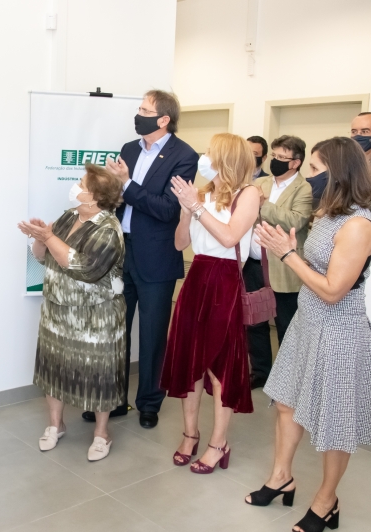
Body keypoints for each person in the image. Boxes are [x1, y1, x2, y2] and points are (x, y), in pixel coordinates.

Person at [246, 136, 371, 532]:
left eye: (316, 169)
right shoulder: (328, 215)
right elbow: (318, 266)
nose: (309, 176)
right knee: (286, 402)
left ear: (338, 174)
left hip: (339, 331)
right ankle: (281, 477)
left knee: (334, 423)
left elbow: (333, 290)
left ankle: (327, 501)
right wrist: (291, 249)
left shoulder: (359, 225)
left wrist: (288, 255)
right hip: (307, 322)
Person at [82, 89, 199, 429]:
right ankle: (114, 400)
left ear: (164, 119)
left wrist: (127, 183)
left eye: (145, 110)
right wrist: (112, 188)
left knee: (152, 335)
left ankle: (149, 403)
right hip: (121, 251)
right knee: (116, 331)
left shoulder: (184, 156)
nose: (138, 115)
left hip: (157, 256)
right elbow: (120, 198)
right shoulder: (129, 149)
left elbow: (167, 209)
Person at [160, 133, 259, 473]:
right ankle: (190, 434)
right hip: (197, 278)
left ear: (226, 158)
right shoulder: (200, 194)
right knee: (190, 361)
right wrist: (187, 210)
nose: (204, 158)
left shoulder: (248, 193)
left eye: (210, 152)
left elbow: (230, 237)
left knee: (220, 367)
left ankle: (219, 443)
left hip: (224, 281)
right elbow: (179, 244)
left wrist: (197, 207)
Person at [18, 164, 125, 461]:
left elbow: (82, 267)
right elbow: (41, 258)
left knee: (100, 375)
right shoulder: (69, 216)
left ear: (95, 196)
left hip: (95, 317)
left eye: (81, 184)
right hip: (57, 312)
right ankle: (56, 425)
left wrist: (49, 237)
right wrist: (40, 237)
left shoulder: (109, 229)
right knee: (54, 368)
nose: (76, 187)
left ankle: (102, 434)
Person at [246, 136, 313, 390]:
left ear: (295, 163)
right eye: (274, 156)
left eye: (282, 158)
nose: (275, 161)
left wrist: (264, 205)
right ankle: (261, 372)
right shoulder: (260, 182)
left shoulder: (303, 188)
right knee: (255, 321)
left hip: (284, 269)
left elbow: (296, 221)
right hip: (253, 263)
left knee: (286, 325)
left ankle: (286, 381)